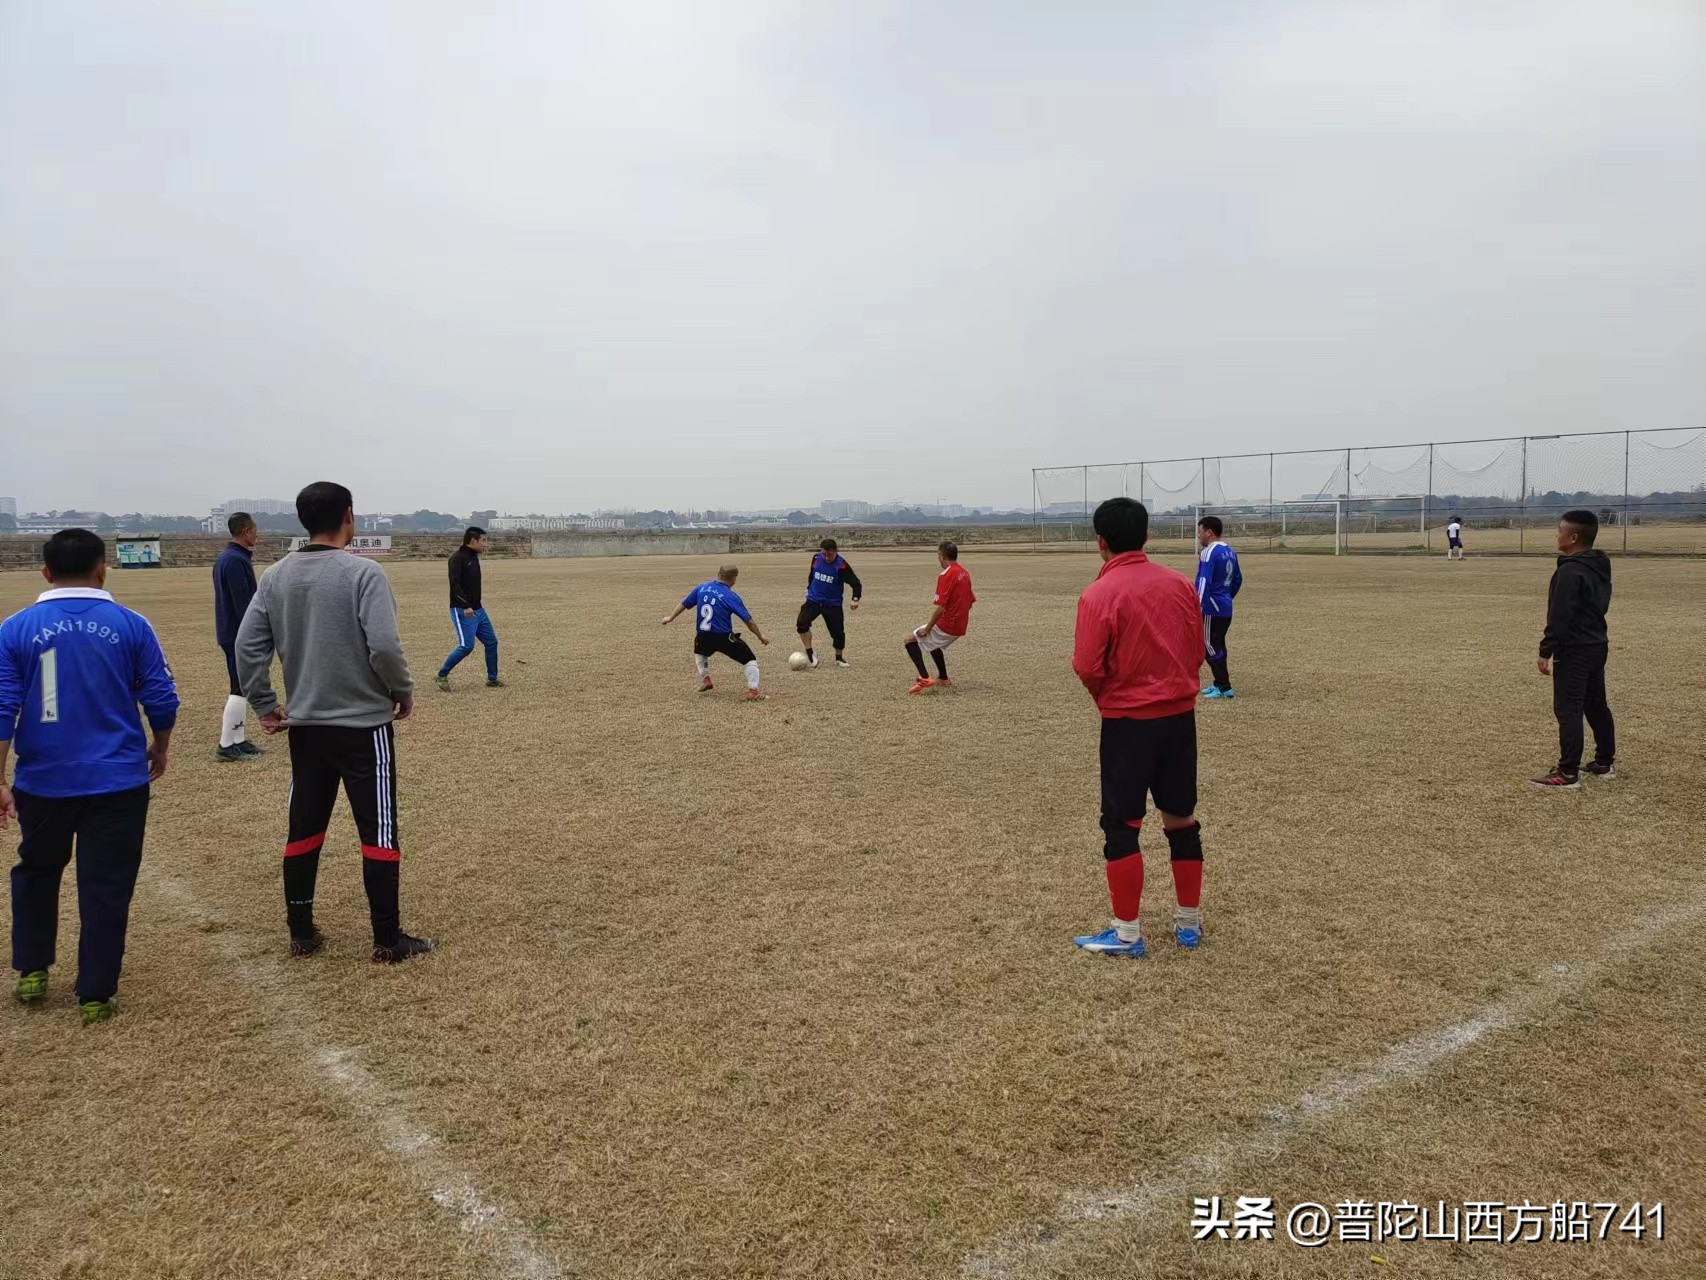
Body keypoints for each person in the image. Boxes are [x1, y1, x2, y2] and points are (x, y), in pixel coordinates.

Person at [235, 482, 435, 963]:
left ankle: (301, 932)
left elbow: (247, 647)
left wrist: (264, 703)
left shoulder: (276, 576)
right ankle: (387, 939)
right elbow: (384, 647)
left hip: (306, 728)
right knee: (379, 830)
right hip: (364, 727)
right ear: (349, 515)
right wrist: (401, 693)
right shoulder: (364, 573)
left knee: (305, 826)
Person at [1, 529, 179, 1024]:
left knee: (36, 870)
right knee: (106, 884)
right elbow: (161, 697)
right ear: (103, 568)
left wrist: (0, 778)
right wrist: (159, 748)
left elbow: (2, 708)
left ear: (45, 572)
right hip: (118, 781)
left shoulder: (15, 628)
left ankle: (32, 970)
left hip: (41, 781)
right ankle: (96, 992)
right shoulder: (130, 624)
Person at [1070, 498, 1207, 958]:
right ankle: (1188, 922)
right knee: (1181, 818)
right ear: (1147, 536)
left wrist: (1108, 699)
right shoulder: (1179, 584)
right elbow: (1197, 649)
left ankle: (1127, 934)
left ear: (1100, 542)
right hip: (1179, 719)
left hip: (1128, 723)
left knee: (1122, 824)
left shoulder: (1098, 594)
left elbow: (1087, 664)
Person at [1532, 509, 1615, 790]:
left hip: (1576, 648)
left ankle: (1567, 773)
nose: (1557, 535)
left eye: (1560, 530)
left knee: (1568, 708)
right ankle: (1604, 762)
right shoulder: (1599, 564)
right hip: (1597, 644)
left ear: (1574, 537)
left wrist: (1546, 650)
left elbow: (1560, 616)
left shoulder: (1569, 571)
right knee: (1595, 704)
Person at [662, 565, 770, 700]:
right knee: (749, 659)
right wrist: (761, 637)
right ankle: (753, 692)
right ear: (734, 579)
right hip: (723, 637)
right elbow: (748, 620)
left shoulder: (701, 588)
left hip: (703, 635)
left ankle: (706, 679)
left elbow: (684, 603)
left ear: (718, 574)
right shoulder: (730, 596)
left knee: (699, 652)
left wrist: (670, 617)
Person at [213, 511, 262, 760]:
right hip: (237, 634)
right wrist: (255, 633)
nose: (257, 534)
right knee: (238, 687)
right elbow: (245, 604)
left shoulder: (233, 558)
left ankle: (239, 739)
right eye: (254, 529)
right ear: (245, 531)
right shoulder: (234, 561)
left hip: (233, 632)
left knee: (241, 686)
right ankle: (226, 744)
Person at [435, 527, 503, 691]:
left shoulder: (474, 557)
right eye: (483, 541)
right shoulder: (457, 559)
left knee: (491, 642)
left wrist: (475, 605)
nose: (486, 544)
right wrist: (466, 606)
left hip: (479, 610)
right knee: (466, 646)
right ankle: (442, 675)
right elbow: (455, 584)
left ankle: (492, 679)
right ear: (473, 541)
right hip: (463, 610)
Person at [904, 541, 976, 694]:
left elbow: (941, 607)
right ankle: (943, 678)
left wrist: (928, 628)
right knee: (932, 644)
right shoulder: (965, 573)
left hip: (948, 624)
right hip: (960, 624)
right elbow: (970, 601)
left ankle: (924, 677)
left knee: (910, 640)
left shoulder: (946, 575)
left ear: (942, 556)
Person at [795, 538, 862, 668]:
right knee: (801, 624)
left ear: (836, 551)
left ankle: (839, 658)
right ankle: (810, 654)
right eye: (824, 554)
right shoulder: (816, 558)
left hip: (832, 604)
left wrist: (855, 599)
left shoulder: (842, 566)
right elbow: (812, 575)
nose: (826, 558)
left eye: (830, 555)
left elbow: (856, 583)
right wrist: (808, 588)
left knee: (838, 633)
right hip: (814, 600)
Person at [1195, 516, 1243, 698]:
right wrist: (1227, 597)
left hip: (1210, 607)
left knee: (1208, 645)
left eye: (1200, 532)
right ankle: (1219, 684)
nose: (1199, 536)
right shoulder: (1230, 551)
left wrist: (1198, 606)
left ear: (1209, 533)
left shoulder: (1208, 552)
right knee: (1218, 643)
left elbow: (1203, 581)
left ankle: (1224, 686)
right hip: (1225, 606)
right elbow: (1238, 579)